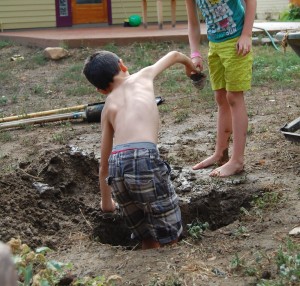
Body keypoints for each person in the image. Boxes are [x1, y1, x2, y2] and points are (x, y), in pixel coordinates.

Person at [83, 50, 197, 249]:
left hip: (117, 167)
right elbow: (175, 55)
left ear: (101, 91)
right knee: (167, 227)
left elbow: (104, 164)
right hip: (144, 158)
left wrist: (106, 201)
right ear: (123, 65)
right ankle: (171, 254)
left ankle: (149, 251)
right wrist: (190, 66)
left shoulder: (108, 106)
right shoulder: (143, 75)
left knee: (145, 234)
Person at [185, 0, 257, 177]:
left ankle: (237, 160)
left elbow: (251, 2)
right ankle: (220, 153)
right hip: (215, 45)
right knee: (221, 98)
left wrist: (246, 34)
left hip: (236, 43)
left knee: (234, 97)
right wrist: (195, 54)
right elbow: (193, 22)